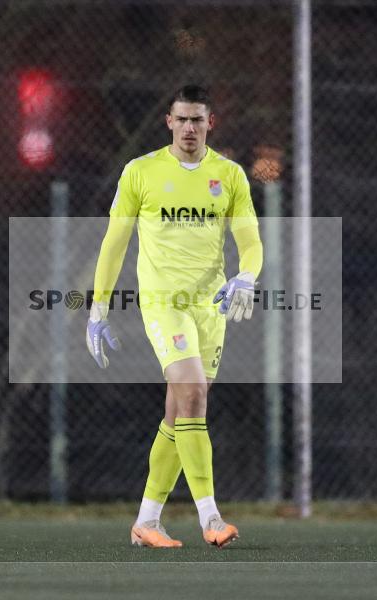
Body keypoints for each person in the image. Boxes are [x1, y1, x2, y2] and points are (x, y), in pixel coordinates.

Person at [86, 84, 263, 548]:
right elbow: (114, 242)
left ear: (210, 123)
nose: (189, 127)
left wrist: (246, 277)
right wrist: (98, 307)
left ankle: (147, 521)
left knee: (180, 409)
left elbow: (250, 239)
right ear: (168, 122)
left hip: (212, 308)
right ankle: (211, 518)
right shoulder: (140, 172)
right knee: (193, 392)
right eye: (181, 119)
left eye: (197, 120)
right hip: (164, 303)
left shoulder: (230, 175)